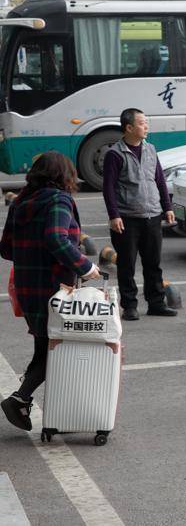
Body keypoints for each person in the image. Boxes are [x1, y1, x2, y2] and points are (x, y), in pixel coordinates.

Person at [1, 152, 100, 431]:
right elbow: (56, 238)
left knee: (45, 346)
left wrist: (29, 253)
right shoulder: (58, 199)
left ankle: (31, 404)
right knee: (58, 348)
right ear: (62, 175)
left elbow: (6, 248)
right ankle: (20, 398)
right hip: (55, 287)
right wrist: (84, 266)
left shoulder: (20, 202)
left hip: (27, 285)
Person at [102, 108, 176, 321]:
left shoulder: (151, 149)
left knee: (153, 263)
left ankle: (156, 303)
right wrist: (114, 215)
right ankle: (130, 306)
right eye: (142, 123)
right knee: (126, 264)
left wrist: (167, 207)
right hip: (126, 218)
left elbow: (159, 180)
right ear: (129, 127)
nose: (146, 127)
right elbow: (108, 187)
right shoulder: (115, 154)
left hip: (152, 215)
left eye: (146, 122)